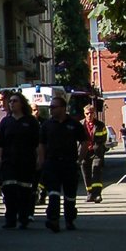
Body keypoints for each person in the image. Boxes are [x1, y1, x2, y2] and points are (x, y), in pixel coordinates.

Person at [39, 95, 86, 232]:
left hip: (69, 163)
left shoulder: (73, 124)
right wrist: (41, 160)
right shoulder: (47, 125)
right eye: (50, 107)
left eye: (54, 107)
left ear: (63, 108)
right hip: (52, 163)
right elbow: (41, 144)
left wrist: (79, 160)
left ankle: (69, 219)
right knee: (53, 192)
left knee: (70, 194)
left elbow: (84, 142)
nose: (51, 110)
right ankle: (53, 219)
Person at [0, 92, 40, 229]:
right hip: (9, 161)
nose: (12, 103)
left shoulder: (30, 121)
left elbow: (38, 142)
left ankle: (23, 218)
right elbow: (0, 143)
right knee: (9, 190)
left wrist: (39, 158)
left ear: (21, 103)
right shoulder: (5, 122)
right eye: (10, 101)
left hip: (26, 161)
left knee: (24, 191)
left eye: (15, 101)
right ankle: (10, 219)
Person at [81, 103, 110, 203]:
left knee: (96, 170)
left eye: (91, 113)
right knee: (86, 173)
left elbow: (104, 138)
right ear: (84, 114)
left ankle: (97, 194)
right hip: (84, 153)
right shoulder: (80, 125)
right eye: (87, 113)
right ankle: (89, 193)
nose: (89, 115)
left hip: (97, 152)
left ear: (94, 114)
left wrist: (99, 147)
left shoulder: (100, 125)